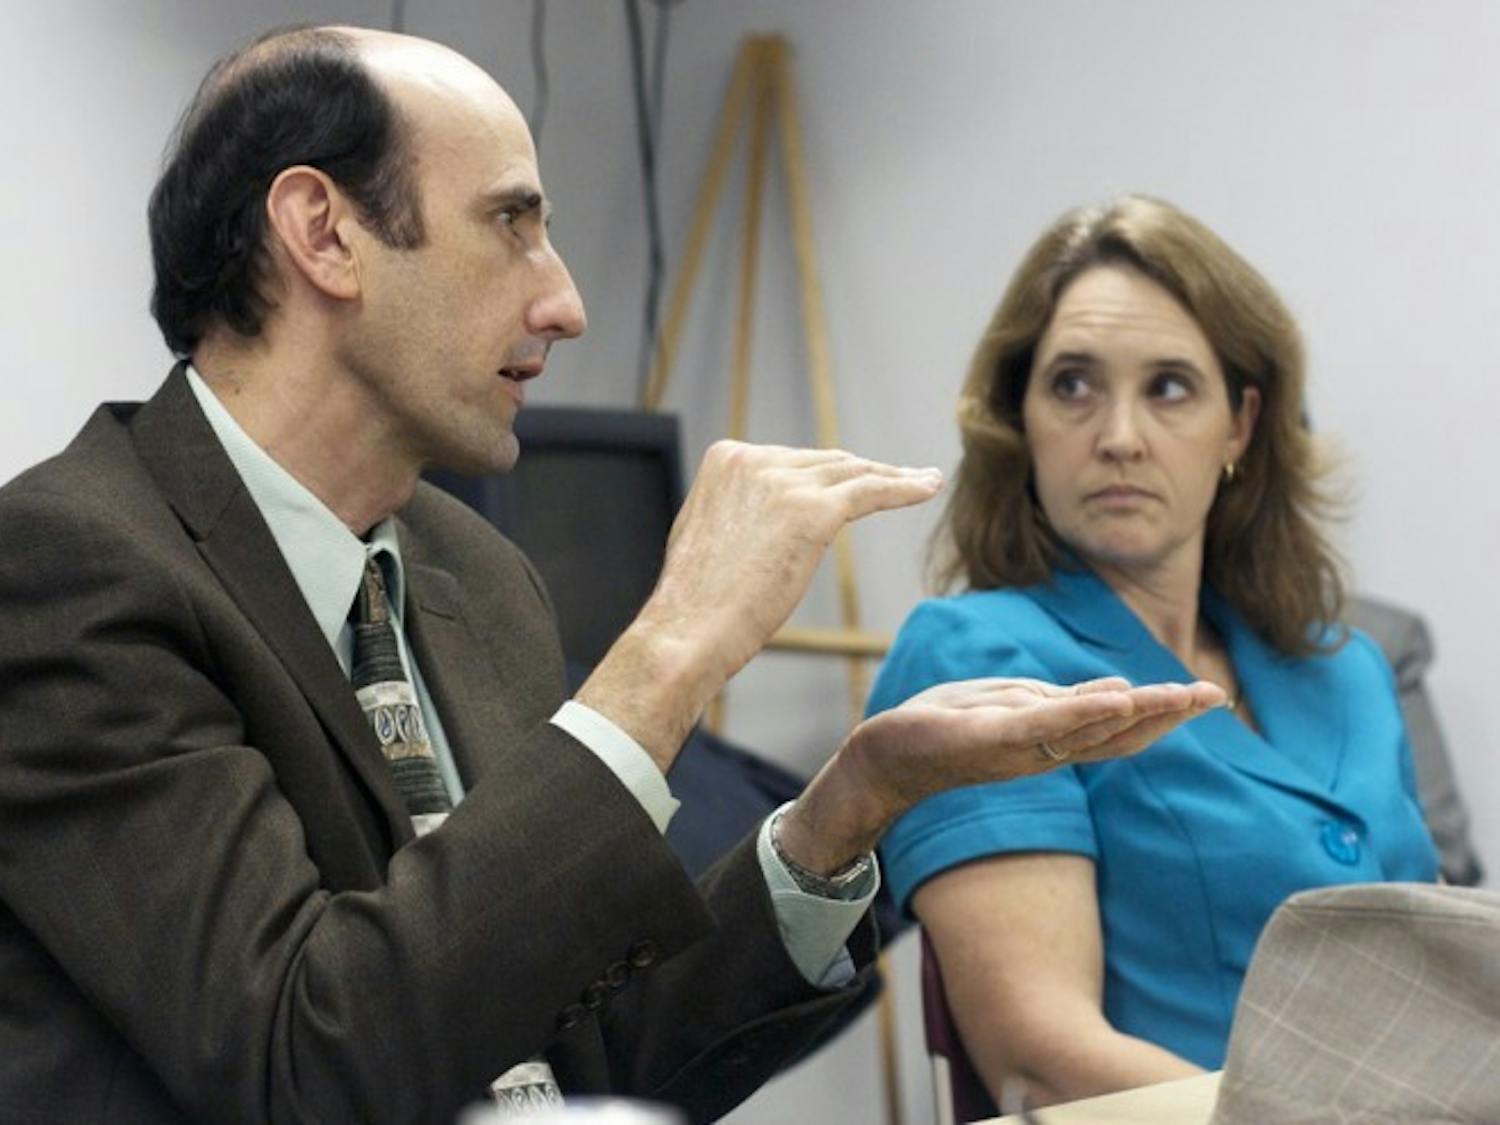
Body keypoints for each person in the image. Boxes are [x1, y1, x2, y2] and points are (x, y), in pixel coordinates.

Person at [0, 28, 1224, 1125]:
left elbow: (590, 1062)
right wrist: (673, 644)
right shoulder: (70, 567)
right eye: (511, 222)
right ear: (324, 233)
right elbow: (305, 1064)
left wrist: (846, 808)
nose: (566, 300)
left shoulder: (472, 571)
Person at [869, 195, 1440, 1110]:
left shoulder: (1348, 667)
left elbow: (1443, 998)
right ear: (1022, 418)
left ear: (1241, 426)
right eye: (1072, 385)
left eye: (1169, 387)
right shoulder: (972, 661)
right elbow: (1039, 1055)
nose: (1120, 436)